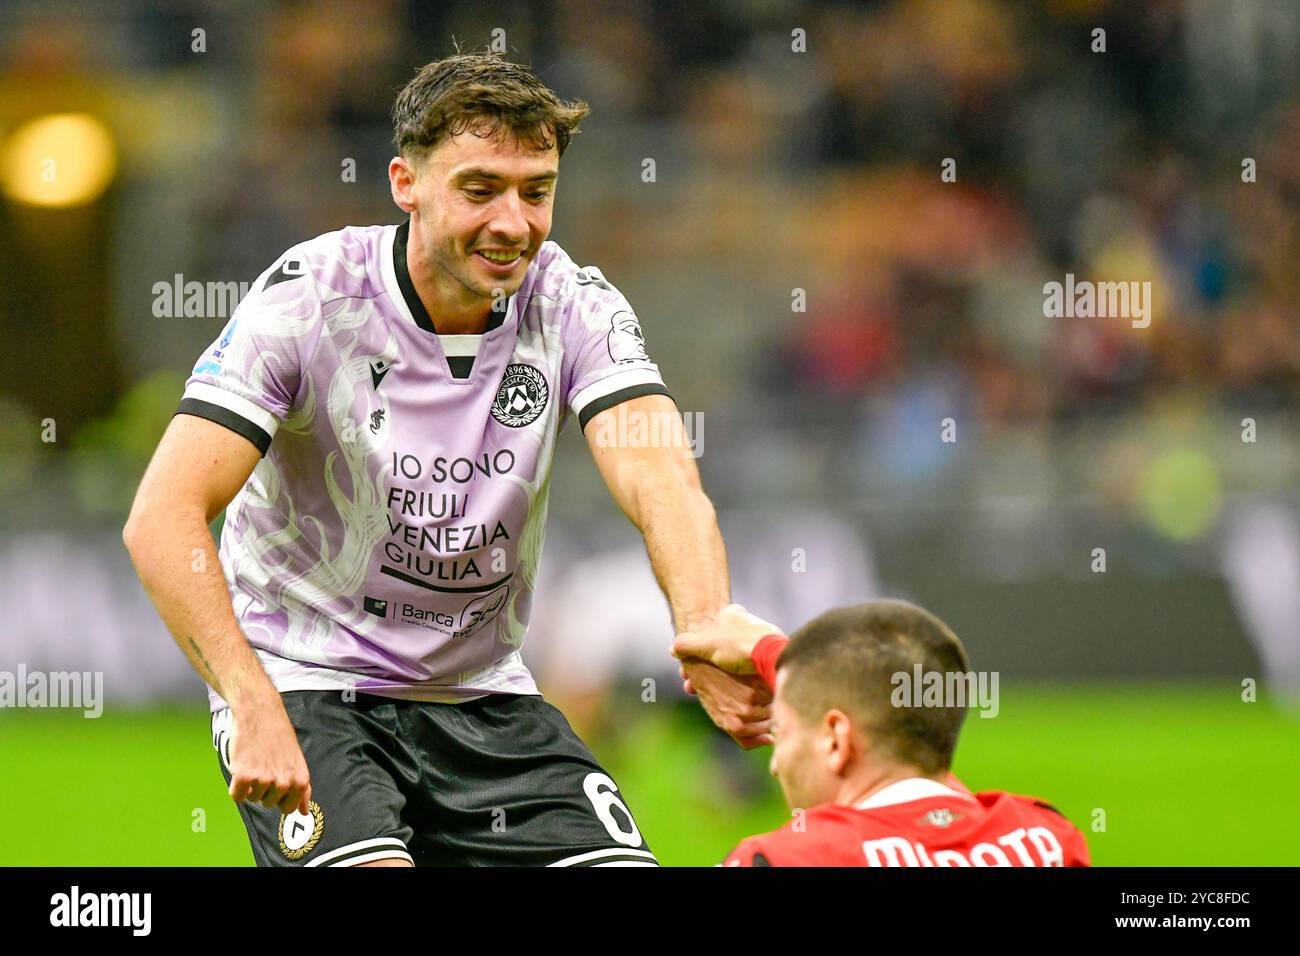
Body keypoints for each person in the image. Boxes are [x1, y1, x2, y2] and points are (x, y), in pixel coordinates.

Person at [123, 50, 769, 868]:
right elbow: (163, 516)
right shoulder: (309, 299)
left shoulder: (574, 302)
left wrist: (705, 621)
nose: (513, 222)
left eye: (537, 191)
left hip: (483, 695)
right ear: (406, 183)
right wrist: (247, 700)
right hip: (312, 686)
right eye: (479, 189)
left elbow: (659, 473)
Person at [673, 602, 1091, 866]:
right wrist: (770, 651)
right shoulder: (1047, 838)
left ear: (836, 738)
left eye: (781, 734)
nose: (776, 766)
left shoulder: (782, 860)